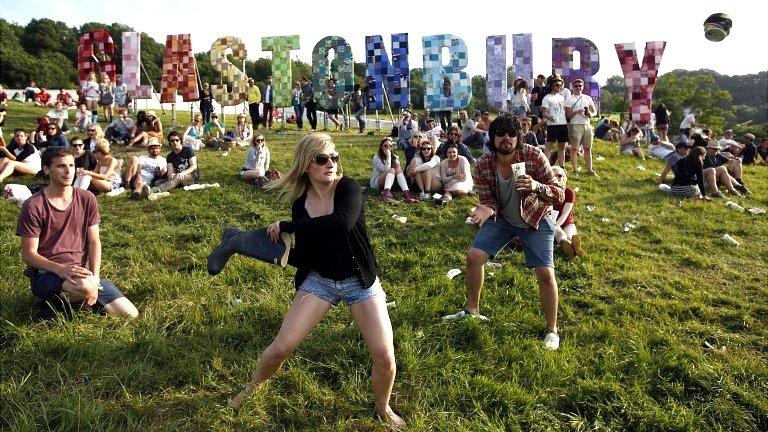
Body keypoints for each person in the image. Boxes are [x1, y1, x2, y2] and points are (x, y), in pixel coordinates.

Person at [225, 133, 405, 429]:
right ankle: (251, 387)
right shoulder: (301, 205)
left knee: (385, 356)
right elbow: (308, 255)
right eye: (322, 159)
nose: (330, 164)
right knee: (281, 347)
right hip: (320, 280)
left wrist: (288, 226)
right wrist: (276, 254)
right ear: (306, 165)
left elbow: (340, 224)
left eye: (334, 157)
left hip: (359, 281)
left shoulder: (347, 189)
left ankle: (383, 407)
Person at [443, 116, 565, 351]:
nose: (506, 138)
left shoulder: (534, 156)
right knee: (473, 257)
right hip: (504, 220)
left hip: (535, 219)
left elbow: (560, 193)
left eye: (511, 133)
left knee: (545, 273)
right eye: (500, 133)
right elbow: (487, 198)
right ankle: (471, 312)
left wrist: (536, 187)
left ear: (519, 137)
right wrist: (487, 209)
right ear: (493, 137)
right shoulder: (483, 164)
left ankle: (552, 329)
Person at [16, 147, 138, 319]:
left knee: (130, 314)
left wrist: (95, 279)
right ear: (46, 169)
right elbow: (28, 255)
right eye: (60, 166)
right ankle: (61, 300)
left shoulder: (87, 198)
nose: (68, 171)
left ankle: (64, 302)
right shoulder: (33, 205)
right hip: (46, 273)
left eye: (71, 166)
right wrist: (61, 270)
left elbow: (94, 241)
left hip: (82, 273)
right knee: (86, 288)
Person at [565, 79, 597, 175]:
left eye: (580, 86)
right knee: (574, 148)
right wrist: (576, 111)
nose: (578, 88)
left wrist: (590, 114)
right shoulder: (569, 99)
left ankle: (590, 170)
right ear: (572, 87)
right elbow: (568, 115)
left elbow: (595, 111)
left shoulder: (587, 98)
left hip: (587, 124)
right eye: (576, 86)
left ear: (583, 87)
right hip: (575, 125)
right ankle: (575, 170)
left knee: (588, 148)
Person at [371, 137, 418, 203]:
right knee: (392, 169)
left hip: (391, 181)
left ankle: (406, 192)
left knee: (398, 168)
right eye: (385, 145)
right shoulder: (376, 157)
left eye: (390, 146)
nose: (388, 147)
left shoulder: (396, 157)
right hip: (377, 182)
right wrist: (388, 156)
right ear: (381, 147)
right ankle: (386, 193)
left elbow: (398, 172)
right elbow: (386, 169)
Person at [549, 166, 583, 258]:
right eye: (553, 175)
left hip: (567, 222)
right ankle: (567, 245)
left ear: (564, 178)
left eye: (559, 175)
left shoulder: (569, 192)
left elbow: (565, 213)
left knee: (571, 235)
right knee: (560, 235)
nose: (557, 178)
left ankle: (574, 246)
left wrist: (556, 225)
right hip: (553, 221)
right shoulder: (547, 191)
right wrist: (555, 226)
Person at [540, 75, 569, 168]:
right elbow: (544, 113)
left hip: (563, 124)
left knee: (562, 146)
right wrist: (552, 118)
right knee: (549, 146)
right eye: (557, 85)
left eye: (560, 85)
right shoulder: (546, 98)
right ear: (552, 85)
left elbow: (563, 110)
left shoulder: (561, 97)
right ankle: (546, 167)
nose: (559, 87)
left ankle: (562, 167)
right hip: (553, 125)